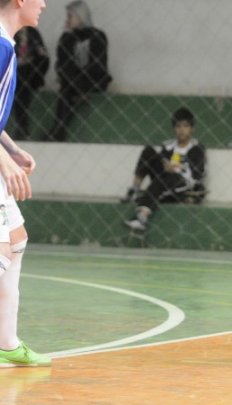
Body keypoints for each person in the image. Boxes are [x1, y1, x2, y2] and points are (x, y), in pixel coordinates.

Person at [0, 0, 51, 367]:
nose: (44, 3)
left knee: (15, 238)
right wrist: (4, 162)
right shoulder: (0, 47)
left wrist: (11, 149)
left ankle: (7, 342)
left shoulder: (8, 44)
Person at [123, 107, 206, 232]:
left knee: (166, 177)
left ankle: (141, 216)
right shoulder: (168, 146)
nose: (181, 130)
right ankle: (135, 189)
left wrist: (178, 169)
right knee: (148, 151)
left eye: (185, 126)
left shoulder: (197, 148)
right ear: (174, 129)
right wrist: (166, 165)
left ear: (192, 129)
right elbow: (161, 164)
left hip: (182, 182)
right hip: (164, 178)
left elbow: (197, 175)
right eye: (178, 126)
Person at [46, 0, 111, 141]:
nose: (68, 20)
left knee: (67, 87)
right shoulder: (68, 37)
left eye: (70, 16)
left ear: (81, 16)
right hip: (71, 81)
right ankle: (58, 130)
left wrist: (78, 75)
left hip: (92, 79)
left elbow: (98, 64)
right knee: (66, 87)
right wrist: (66, 36)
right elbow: (62, 62)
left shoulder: (97, 36)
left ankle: (58, 130)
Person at [12, 26, 48, 140]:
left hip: (32, 73)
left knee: (23, 81)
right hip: (15, 74)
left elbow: (42, 56)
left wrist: (28, 60)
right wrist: (19, 61)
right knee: (20, 85)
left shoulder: (33, 33)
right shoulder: (10, 33)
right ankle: (22, 128)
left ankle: (23, 129)